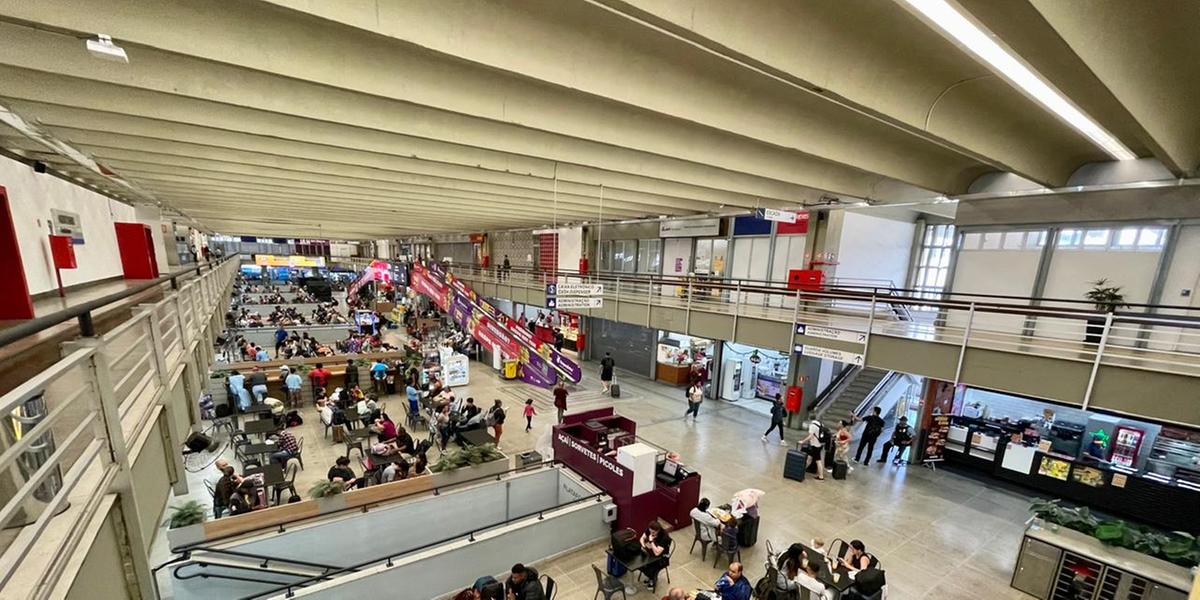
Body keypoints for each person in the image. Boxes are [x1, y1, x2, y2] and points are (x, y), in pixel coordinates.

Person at [638, 521, 672, 590]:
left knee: (650, 567)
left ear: (658, 531)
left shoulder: (664, 537)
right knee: (640, 562)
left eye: (653, 532)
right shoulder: (650, 530)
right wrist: (644, 546)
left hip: (662, 558)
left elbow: (657, 553)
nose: (651, 533)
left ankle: (652, 579)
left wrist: (651, 541)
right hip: (651, 553)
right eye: (650, 531)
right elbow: (642, 538)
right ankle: (649, 576)